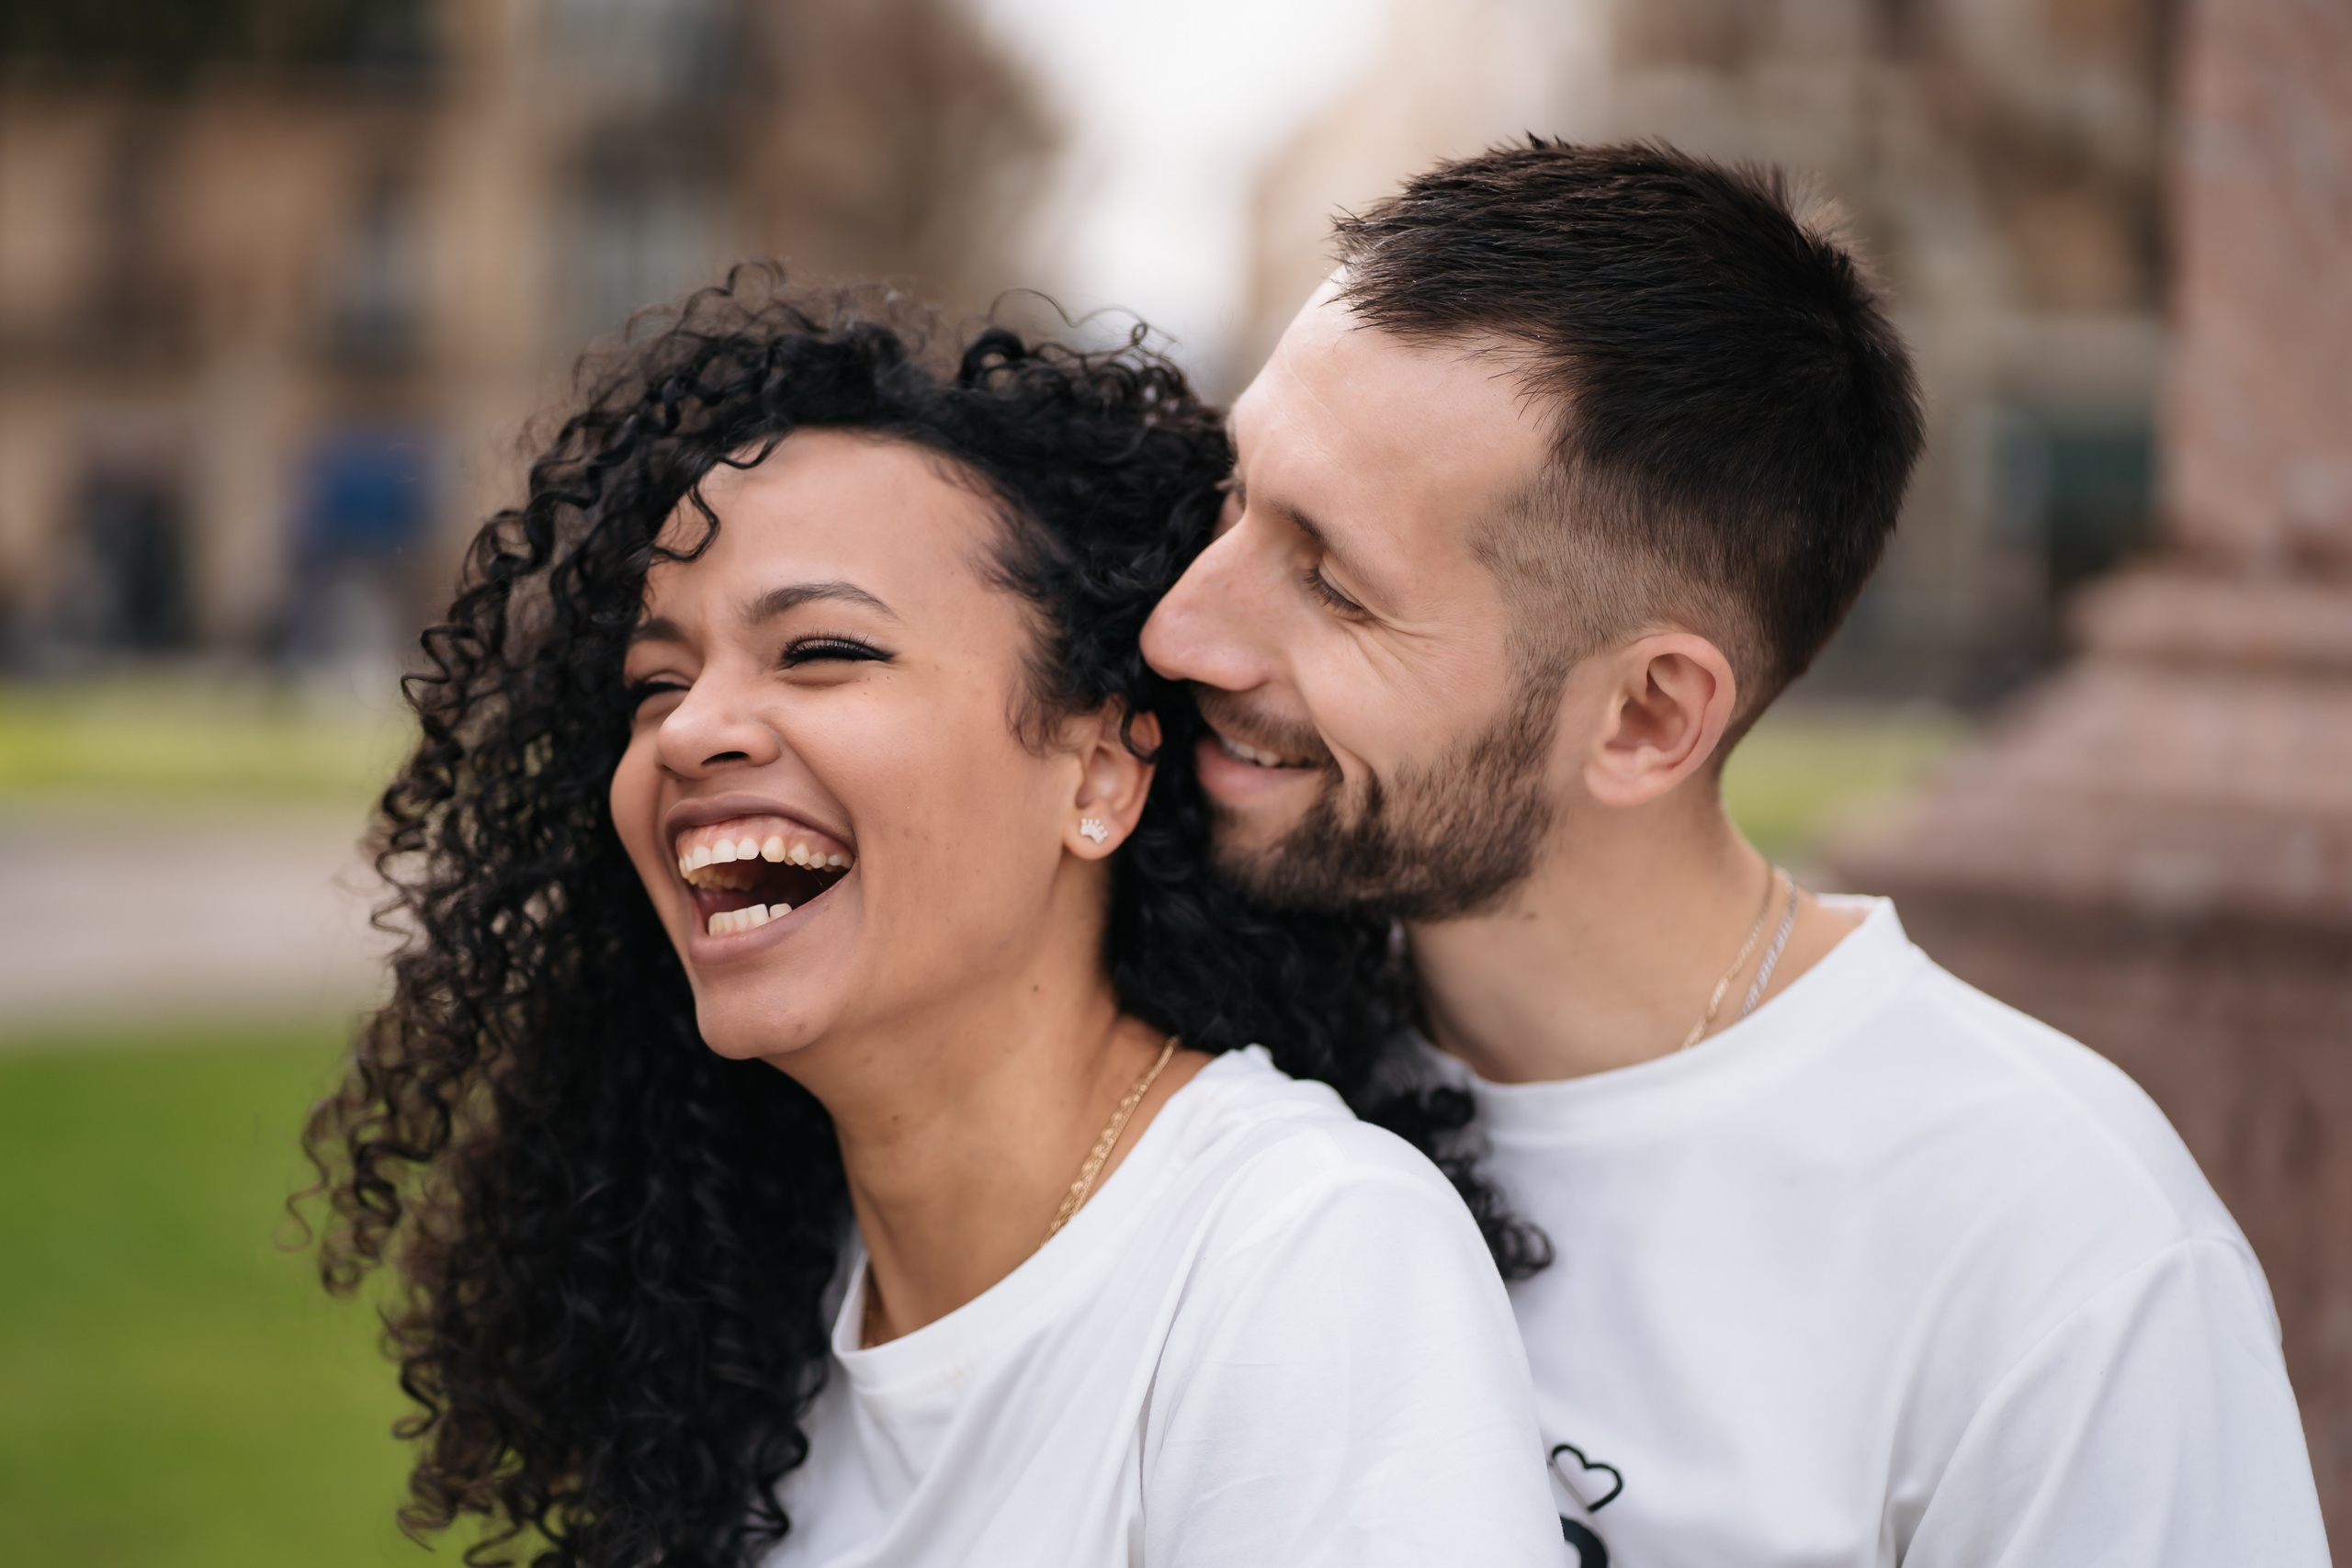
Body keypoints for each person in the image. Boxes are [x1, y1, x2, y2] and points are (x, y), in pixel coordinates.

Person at [1141, 141, 2332, 1567]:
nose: (1180, 629)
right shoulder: (1187, 1028)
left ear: (1647, 718)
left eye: (1332, 582)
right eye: (1234, 499)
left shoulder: (2063, 1254)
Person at [301, 276, 1567, 1567]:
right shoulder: (750, 1314)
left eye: (821, 652)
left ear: (1098, 777)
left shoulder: (1300, 1261)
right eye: (656, 681)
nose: (689, 731)